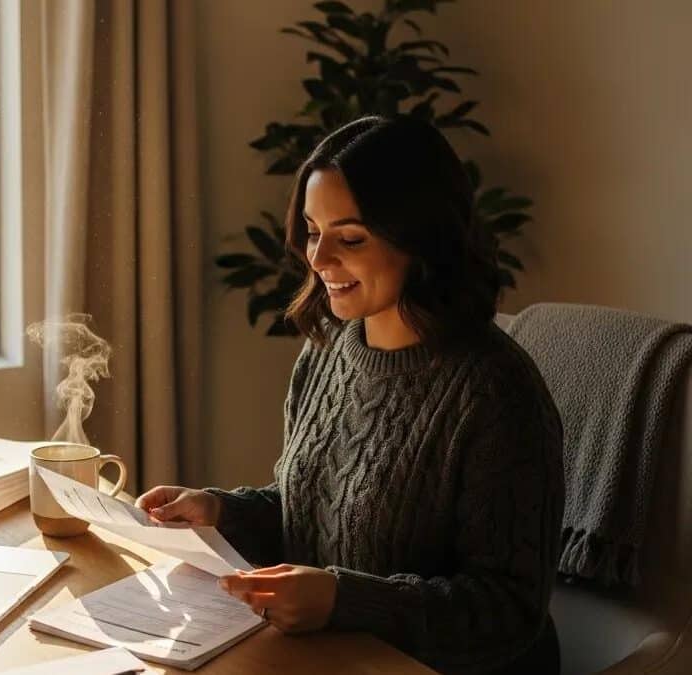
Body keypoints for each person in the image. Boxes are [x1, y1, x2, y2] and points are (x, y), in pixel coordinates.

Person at [136, 115, 565, 675]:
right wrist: (219, 511)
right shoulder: (328, 351)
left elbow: (508, 611)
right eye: (313, 231)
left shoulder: (496, 395)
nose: (317, 258)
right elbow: (320, 512)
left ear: (421, 239)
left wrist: (343, 600)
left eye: (351, 237)